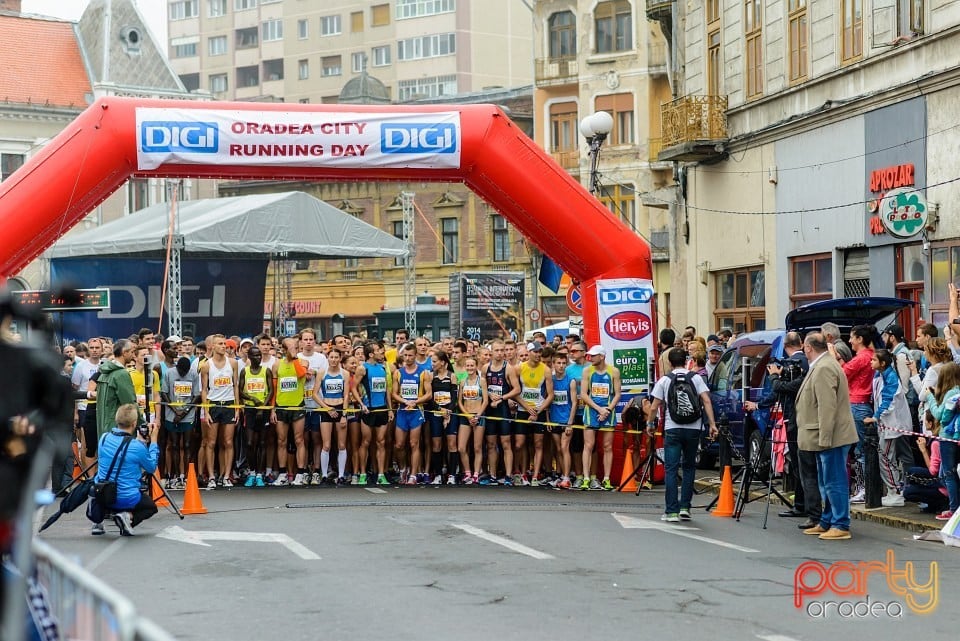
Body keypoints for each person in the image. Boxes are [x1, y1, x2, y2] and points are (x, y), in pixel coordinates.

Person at [744, 331, 817, 525]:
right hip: (797, 418)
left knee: (801, 464)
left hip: (796, 419)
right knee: (800, 464)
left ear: (785, 347)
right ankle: (802, 503)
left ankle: (804, 505)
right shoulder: (803, 362)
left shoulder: (798, 364)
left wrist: (775, 378)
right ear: (800, 344)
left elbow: (781, 389)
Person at [796, 333, 860, 540]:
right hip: (829, 435)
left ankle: (840, 523)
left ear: (808, 347)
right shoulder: (823, 364)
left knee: (834, 482)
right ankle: (828, 520)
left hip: (832, 436)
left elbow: (827, 406)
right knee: (828, 481)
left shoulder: (823, 367)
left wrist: (824, 438)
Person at [647, 347, 717, 521]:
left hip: (673, 427)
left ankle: (671, 511)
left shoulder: (665, 380)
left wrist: (650, 424)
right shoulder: (696, 378)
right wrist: (712, 424)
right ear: (687, 361)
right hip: (694, 428)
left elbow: (655, 406)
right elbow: (706, 400)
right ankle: (685, 507)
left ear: (670, 363)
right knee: (689, 467)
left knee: (671, 469)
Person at [87, 404, 159, 536]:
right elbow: (151, 467)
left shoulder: (104, 438)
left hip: (102, 492)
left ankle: (98, 519)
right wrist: (153, 442)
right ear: (134, 423)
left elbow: (121, 451)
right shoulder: (137, 447)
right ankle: (128, 517)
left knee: (102, 483)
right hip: (126, 497)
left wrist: (138, 442)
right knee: (150, 506)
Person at [863, 349, 914, 507]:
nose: (871, 362)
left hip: (892, 425)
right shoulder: (879, 375)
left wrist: (876, 416)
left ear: (882, 363)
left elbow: (888, 400)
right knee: (886, 458)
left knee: (886, 458)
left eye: (874, 360)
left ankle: (895, 491)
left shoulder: (890, 377)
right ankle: (893, 490)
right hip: (885, 424)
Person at [199, 334, 240, 489]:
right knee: (211, 442)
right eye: (220, 344)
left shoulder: (233, 363)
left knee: (228, 442)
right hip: (213, 404)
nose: (224, 346)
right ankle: (211, 476)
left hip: (229, 404)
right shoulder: (206, 365)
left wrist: (237, 408)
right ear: (213, 346)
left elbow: (235, 385)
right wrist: (206, 411)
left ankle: (226, 475)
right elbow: (204, 389)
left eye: (225, 343)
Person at [580, 345, 621, 490]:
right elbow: (584, 394)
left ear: (602, 356)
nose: (590, 358)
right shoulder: (587, 371)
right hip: (591, 411)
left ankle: (606, 479)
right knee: (588, 445)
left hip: (608, 411)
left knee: (607, 446)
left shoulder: (614, 371)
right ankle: (586, 478)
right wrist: (598, 409)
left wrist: (608, 410)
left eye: (594, 355)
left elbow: (617, 393)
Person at [925, 361, 960, 521]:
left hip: (947, 437)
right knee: (950, 474)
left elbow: (940, 416)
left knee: (948, 474)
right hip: (956, 437)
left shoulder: (950, 393)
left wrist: (930, 398)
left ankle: (954, 509)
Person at [161, 356, 201, 490]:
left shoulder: (194, 374)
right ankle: (176, 475)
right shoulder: (169, 373)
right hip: (171, 415)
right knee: (174, 445)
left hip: (188, 415)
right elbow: (164, 393)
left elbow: (196, 396)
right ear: (177, 368)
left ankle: (186, 476)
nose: (184, 374)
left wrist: (184, 412)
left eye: (186, 371)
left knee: (188, 444)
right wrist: (175, 411)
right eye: (181, 371)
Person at [902, 411, 949, 514]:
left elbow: (933, 470)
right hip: (940, 480)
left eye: (925, 421)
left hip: (942, 486)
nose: (924, 423)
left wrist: (923, 450)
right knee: (912, 472)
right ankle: (932, 501)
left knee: (908, 492)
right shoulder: (935, 439)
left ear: (931, 423)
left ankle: (939, 502)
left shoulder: (935, 443)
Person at [239, 346, 272, 487]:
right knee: (249, 443)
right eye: (255, 355)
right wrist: (252, 399)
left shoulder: (266, 371)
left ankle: (259, 474)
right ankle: (251, 472)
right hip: (250, 410)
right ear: (249, 357)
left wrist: (262, 407)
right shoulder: (244, 371)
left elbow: (271, 390)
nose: (258, 358)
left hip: (263, 410)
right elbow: (240, 390)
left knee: (263, 443)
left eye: (259, 355)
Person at [95, 340, 139, 440]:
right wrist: (142, 424)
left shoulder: (104, 373)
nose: (133, 355)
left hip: (103, 430)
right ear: (124, 352)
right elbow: (130, 404)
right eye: (132, 352)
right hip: (118, 429)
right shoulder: (121, 374)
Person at [458, 356, 487, 485]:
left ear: (476, 367)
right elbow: (459, 401)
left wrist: (477, 416)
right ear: (465, 367)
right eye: (467, 366)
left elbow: (485, 400)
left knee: (477, 447)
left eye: (472, 366)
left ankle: (476, 474)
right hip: (466, 416)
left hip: (478, 416)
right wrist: (467, 415)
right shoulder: (463, 382)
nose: (470, 368)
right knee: (461, 447)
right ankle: (467, 472)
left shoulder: (482, 381)